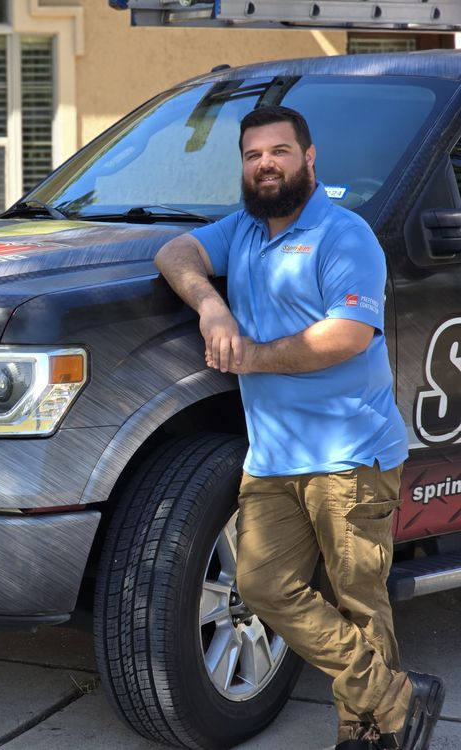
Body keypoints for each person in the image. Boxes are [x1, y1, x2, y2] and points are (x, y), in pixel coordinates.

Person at [154, 106, 444, 750]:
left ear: (308, 159)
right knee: (262, 586)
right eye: (253, 155)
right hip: (273, 456)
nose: (266, 165)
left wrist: (252, 357)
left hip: (351, 454)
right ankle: (393, 695)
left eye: (280, 152)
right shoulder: (244, 230)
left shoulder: (345, 236)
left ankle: (366, 733)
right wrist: (211, 307)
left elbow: (346, 336)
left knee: (358, 600)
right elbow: (174, 252)